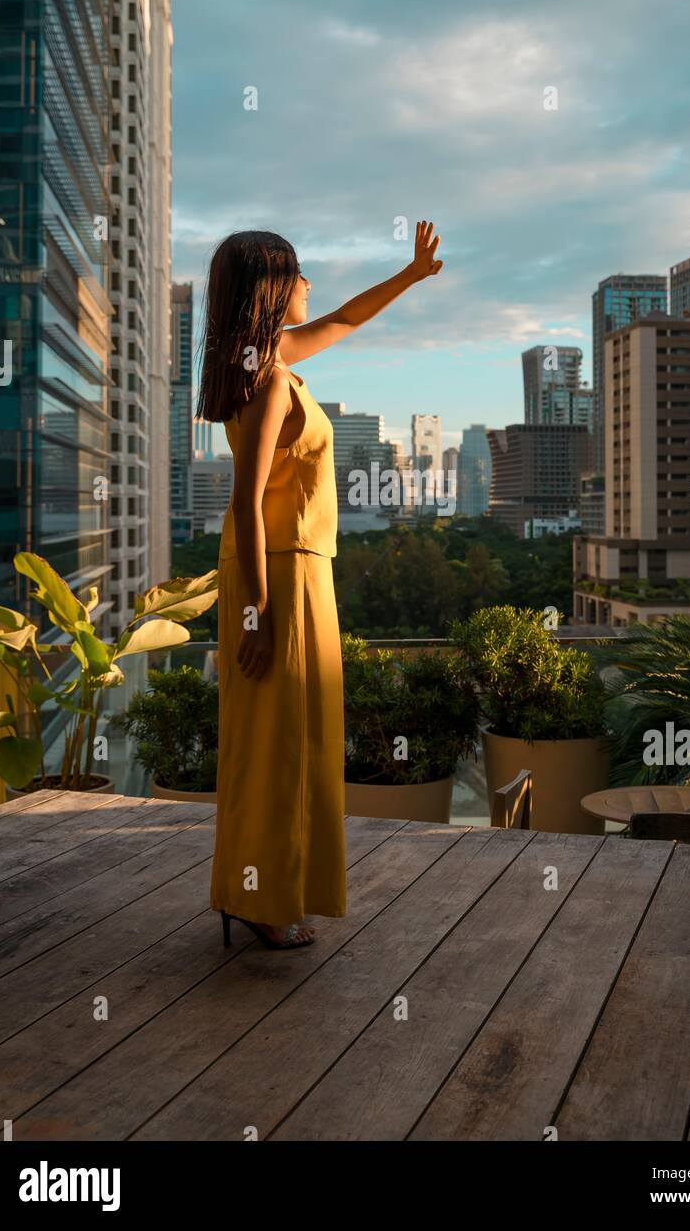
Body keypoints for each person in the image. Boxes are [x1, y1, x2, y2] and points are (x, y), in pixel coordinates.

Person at [195, 222, 443, 948]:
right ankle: (265, 900)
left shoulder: (266, 361)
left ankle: (255, 891)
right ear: (272, 289)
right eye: (298, 274)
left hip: (290, 568)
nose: (309, 286)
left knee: (277, 740)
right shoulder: (268, 381)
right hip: (279, 573)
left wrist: (411, 274)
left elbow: (344, 318)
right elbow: (243, 500)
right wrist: (258, 615)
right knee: (282, 744)